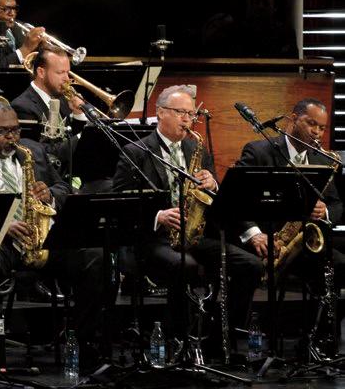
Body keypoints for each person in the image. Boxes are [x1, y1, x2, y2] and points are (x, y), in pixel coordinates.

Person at [0, 102, 106, 366]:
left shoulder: (33, 151)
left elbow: (63, 187)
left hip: (42, 237)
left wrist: (49, 194)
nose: (12, 137)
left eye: (16, 130)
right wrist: (2, 224)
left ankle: (86, 345)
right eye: (3, 131)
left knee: (96, 257)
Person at [111, 84, 262, 355]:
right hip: (153, 238)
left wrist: (213, 184)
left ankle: (217, 335)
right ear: (160, 112)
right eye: (180, 112)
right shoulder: (136, 151)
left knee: (250, 265)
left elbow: (219, 200)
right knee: (186, 265)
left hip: (194, 233)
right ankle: (178, 339)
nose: (187, 120)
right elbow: (121, 201)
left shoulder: (197, 149)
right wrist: (158, 215)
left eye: (191, 114)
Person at [231, 98, 344, 349]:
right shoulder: (258, 151)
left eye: (322, 128)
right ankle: (237, 338)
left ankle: (315, 338)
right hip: (264, 240)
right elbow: (236, 198)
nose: (317, 132)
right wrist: (254, 234)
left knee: (339, 264)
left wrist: (325, 210)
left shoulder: (323, 159)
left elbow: (337, 204)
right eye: (311, 124)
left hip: (301, 243)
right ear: (293, 119)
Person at [9, 46, 86, 177]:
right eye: (60, 72)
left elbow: (72, 139)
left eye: (67, 72)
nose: (67, 79)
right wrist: (83, 136)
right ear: (41, 72)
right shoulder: (22, 106)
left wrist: (79, 114)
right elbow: (41, 153)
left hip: (72, 172)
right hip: (46, 178)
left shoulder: (63, 98)